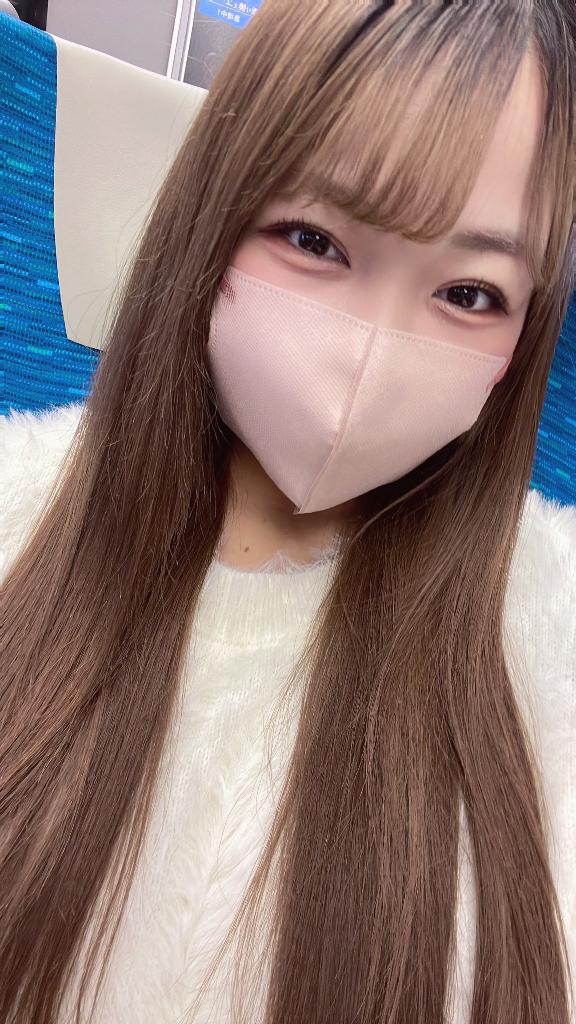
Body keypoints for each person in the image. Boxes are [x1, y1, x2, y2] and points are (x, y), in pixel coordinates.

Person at [0, 1, 575, 1022]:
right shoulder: (17, 506)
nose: (368, 349)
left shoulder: (552, 637)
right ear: (211, 223)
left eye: (470, 294)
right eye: (314, 240)